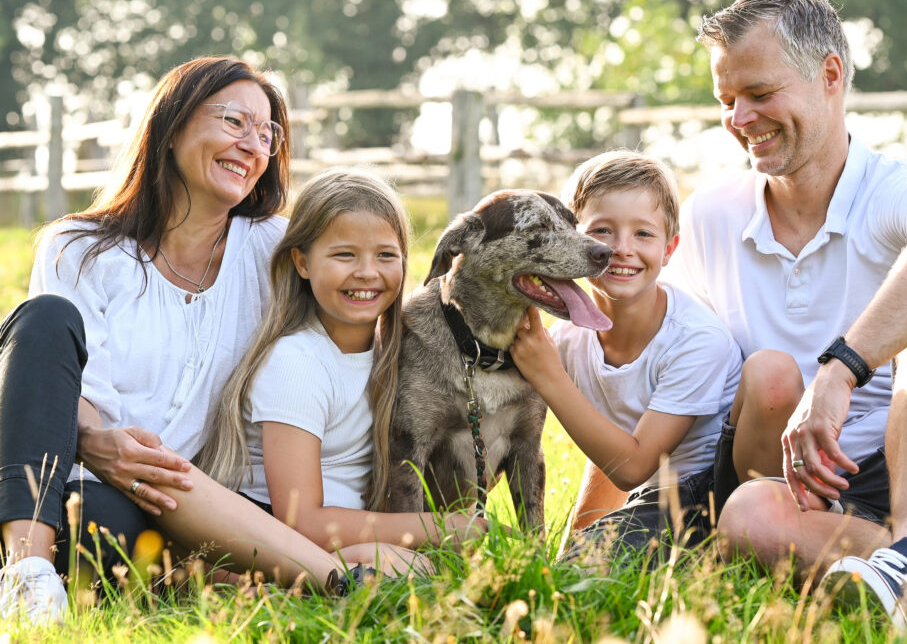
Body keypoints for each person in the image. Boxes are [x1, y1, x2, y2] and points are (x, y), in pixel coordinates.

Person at [0, 57, 419, 626]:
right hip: (73, 487)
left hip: (198, 503)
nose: (252, 143)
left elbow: (365, 288)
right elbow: (51, 382)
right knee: (43, 321)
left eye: (267, 132)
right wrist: (97, 439)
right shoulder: (77, 247)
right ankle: (26, 575)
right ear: (171, 128)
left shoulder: (271, 250)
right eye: (234, 121)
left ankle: (241, 578)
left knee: (129, 538)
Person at [664, 0, 907, 629]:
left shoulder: (893, 189)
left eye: (760, 94)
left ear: (831, 75)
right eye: (727, 100)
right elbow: (680, 369)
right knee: (746, 512)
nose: (739, 119)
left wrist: (841, 369)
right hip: (830, 503)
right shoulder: (711, 215)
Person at [199, 168, 486, 550]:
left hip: (345, 535)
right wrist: (441, 528)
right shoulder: (297, 363)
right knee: (407, 572)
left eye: (386, 255)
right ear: (302, 263)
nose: (367, 273)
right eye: (344, 255)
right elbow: (301, 522)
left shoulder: (395, 354)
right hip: (274, 536)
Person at [509, 150, 742, 558]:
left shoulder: (696, 340)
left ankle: (721, 559)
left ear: (670, 249)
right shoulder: (567, 340)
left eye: (643, 234)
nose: (621, 249)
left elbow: (633, 467)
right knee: (577, 565)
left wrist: (549, 376)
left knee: (594, 566)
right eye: (601, 231)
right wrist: (574, 542)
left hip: (711, 493)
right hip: (652, 499)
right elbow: (608, 443)